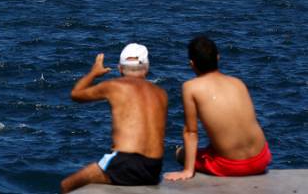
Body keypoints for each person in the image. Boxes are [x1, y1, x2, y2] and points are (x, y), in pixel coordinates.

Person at [60, 43, 168, 193]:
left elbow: (76, 94)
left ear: (120, 68)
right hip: (153, 168)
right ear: (147, 68)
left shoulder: (114, 86)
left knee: (66, 185)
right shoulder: (161, 93)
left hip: (126, 164)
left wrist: (94, 73)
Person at [165, 36, 271, 181]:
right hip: (262, 159)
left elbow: (191, 132)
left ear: (192, 63)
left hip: (232, 166)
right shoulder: (238, 83)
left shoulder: (191, 87)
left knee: (180, 153)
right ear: (218, 57)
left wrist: (188, 170)